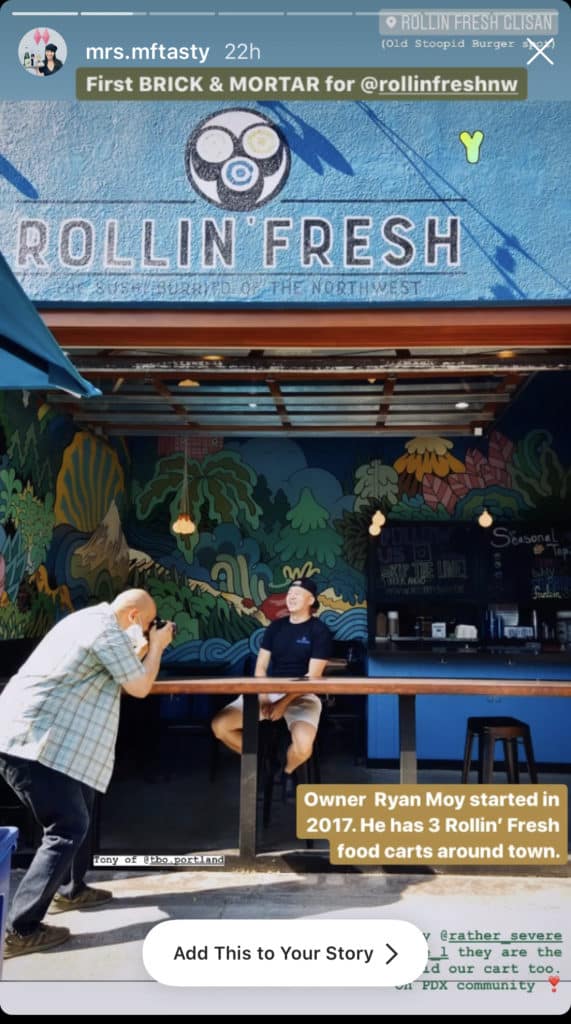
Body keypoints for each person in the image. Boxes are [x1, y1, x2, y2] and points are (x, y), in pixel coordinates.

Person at [0, 588, 173, 959]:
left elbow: (123, 665)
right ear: (132, 618)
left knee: (85, 796)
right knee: (68, 827)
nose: (145, 632)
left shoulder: (89, 621)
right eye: (144, 625)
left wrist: (143, 643)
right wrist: (156, 645)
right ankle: (20, 929)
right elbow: (140, 686)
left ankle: (71, 890)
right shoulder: (103, 629)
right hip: (34, 742)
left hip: (51, 743)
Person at [212, 578, 332, 793]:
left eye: (298, 593)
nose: (291, 596)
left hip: (302, 696)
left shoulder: (319, 631)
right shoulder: (276, 627)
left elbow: (312, 677)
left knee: (304, 748)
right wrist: (266, 696)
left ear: (311, 599)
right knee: (220, 726)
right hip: (268, 692)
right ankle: (264, 762)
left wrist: (284, 703)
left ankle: (286, 771)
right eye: (289, 593)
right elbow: (260, 669)